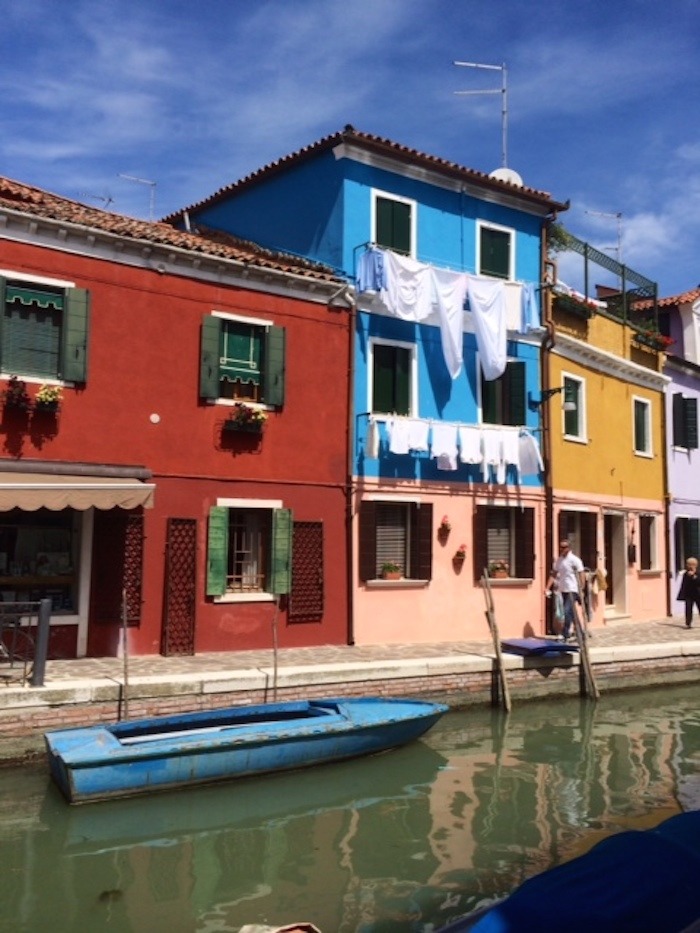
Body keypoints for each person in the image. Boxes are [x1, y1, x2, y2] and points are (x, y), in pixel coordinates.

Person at [545, 539, 585, 641]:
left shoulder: (575, 560)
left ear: (569, 548)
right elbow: (554, 574)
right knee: (571, 612)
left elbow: (581, 573)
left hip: (573, 589)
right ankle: (580, 633)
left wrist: (582, 587)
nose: (562, 549)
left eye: (564, 547)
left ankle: (565, 633)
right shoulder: (559, 560)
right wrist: (547, 587)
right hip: (563, 590)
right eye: (561, 547)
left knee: (567, 612)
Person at [677, 557, 700, 629]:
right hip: (689, 595)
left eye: (691, 564)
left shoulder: (698, 573)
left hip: (698, 594)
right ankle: (688, 623)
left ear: (695, 565)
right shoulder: (686, 574)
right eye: (688, 564)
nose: (690, 566)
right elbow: (684, 584)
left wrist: (694, 576)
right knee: (688, 609)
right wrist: (682, 594)